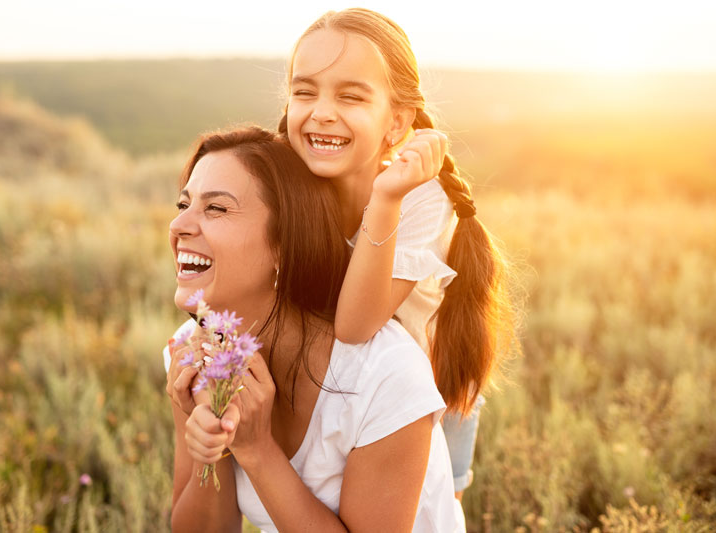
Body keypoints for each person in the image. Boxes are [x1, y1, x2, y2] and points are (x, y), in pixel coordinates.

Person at [165, 127, 466, 532]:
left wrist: (256, 450)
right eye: (183, 204)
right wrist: (210, 443)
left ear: (284, 245)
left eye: (216, 208)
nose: (179, 224)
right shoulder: (194, 354)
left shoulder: (384, 375)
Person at [276, 8, 517, 500]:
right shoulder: (286, 187)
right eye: (305, 92)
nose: (321, 111)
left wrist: (385, 199)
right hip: (333, 406)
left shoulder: (421, 198)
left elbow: (356, 325)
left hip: (423, 409)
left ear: (397, 121)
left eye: (350, 96)